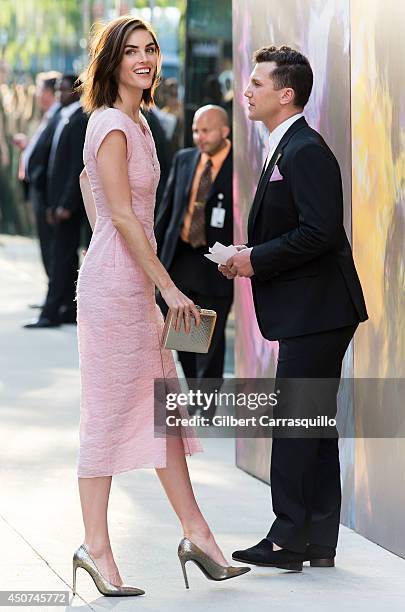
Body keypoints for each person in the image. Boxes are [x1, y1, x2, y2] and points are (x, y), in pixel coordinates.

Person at [72, 16, 249, 597]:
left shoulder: (139, 123)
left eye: (150, 50)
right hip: (118, 291)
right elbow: (121, 215)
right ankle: (94, 549)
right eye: (132, 52)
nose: (145, 60)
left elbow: (88, 186)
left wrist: (118, 250)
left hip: (129, 283)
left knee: (164, 414)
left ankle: (198, 534)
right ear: (112, 62)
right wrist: (166, 287)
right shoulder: (112, 123)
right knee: (106, 416)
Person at [220, 46, 368, 571]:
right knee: (312, 422)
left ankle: (287, 541)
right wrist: (247, 255)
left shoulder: (304, 150)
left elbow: (321, 232)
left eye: (258, 83)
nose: (248, 90)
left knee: (295, 420)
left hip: (320, 309)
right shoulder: (285, 147)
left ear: (287, 94)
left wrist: (253, 258)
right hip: (314, 308)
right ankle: (316, 540)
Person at [155, 105, 233, 420]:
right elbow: (167, 210)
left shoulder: (238, 165)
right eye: (196, 131)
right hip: (182, 257)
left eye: (207, 131)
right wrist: (156, 258)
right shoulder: (184, 159)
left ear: (224, 131)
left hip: (217, 261)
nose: (200, 137)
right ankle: (198, 395)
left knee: (211, 336)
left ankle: (208, 402)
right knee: (184, 333)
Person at [24, 75, 88, 328]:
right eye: (59, 88)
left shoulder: (80, 119)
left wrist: (65, 204)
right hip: (56, 202)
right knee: (64, 258)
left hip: (67, 206)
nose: (60, 93)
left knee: (61, 257)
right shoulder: (64, 117)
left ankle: (50, 312)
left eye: (64, 89)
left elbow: (76, 168)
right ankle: (67, 308)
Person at [13, 72, 61, 284]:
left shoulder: (57, 117)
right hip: (38, 188)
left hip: (46, 191)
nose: (38, 95)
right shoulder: (48, 117)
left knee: (52, 245)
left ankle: (55, 293)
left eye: (42, 90)